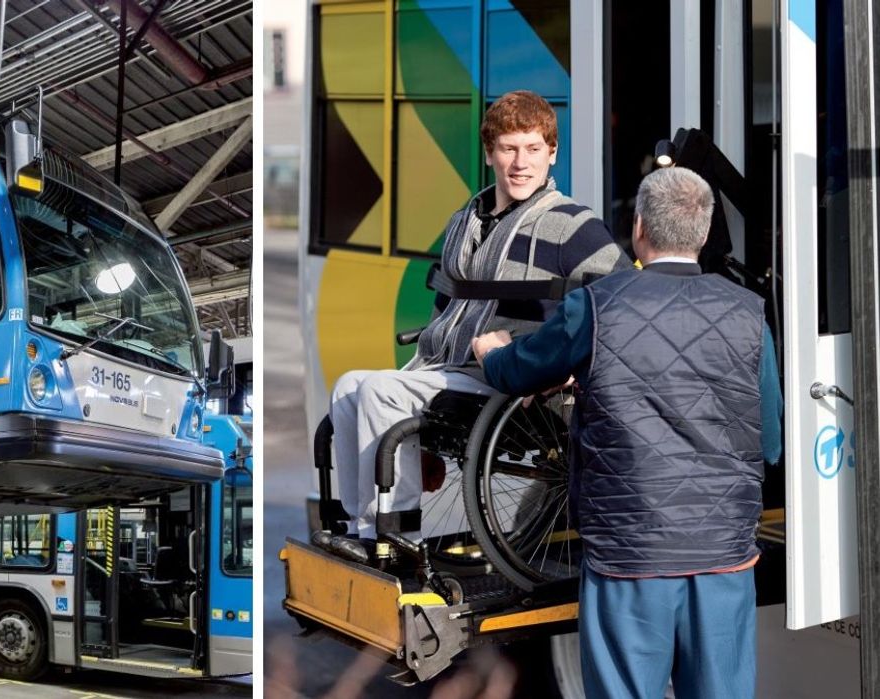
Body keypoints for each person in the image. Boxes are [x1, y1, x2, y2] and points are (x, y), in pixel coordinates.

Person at [472, 166, 782, 699]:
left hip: (628, 553)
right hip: (723, 553)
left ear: (638, 227)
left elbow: (519, 371)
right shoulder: (750, 314)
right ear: (704, 234)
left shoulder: (597, 305)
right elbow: (770, 442)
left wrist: (491, 351)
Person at [317, 90, 629, 563]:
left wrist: (570, 367)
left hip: (510, 378)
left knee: (380, 392)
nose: (520, 163)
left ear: (552, 154)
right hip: (449, 366)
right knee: (348, 387)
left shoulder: (571, 225)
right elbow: (447, 309)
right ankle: (362, 525)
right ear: (490, 154)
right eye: (508, 149)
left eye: (532, 149)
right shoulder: (465, 221)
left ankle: (397, 537)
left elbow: (622, 300)